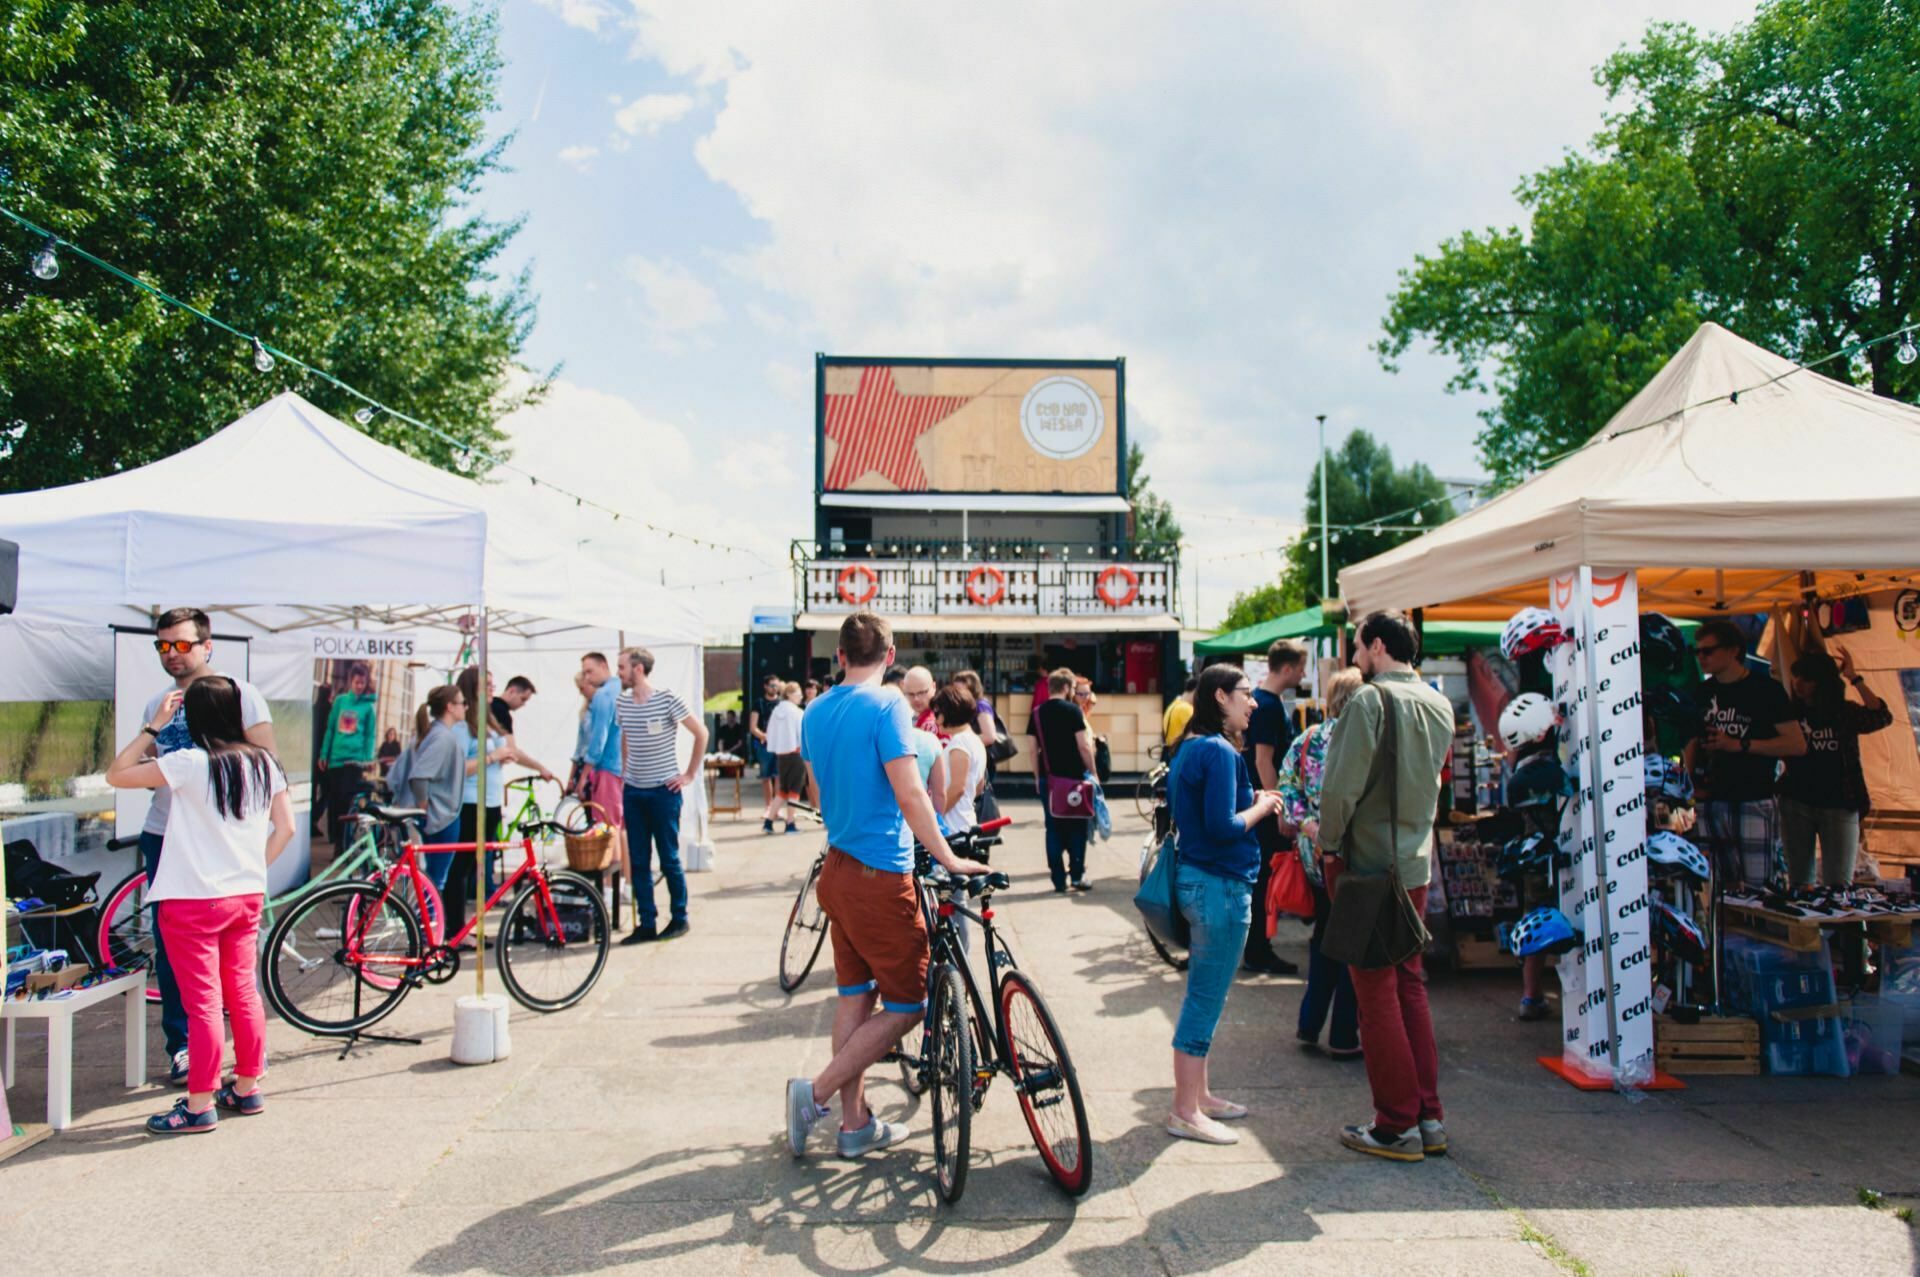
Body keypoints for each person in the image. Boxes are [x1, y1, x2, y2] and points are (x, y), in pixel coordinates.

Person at [786, 612, 990, 1160]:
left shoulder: (816, 710)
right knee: (908, 1004)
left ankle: (856, 1126)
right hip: (881, 874)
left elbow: (820, 794)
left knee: (855, 998)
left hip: (838, 867)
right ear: (891, 654)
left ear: (842, 655)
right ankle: (816, 1094)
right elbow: (912, 794)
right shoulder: (888, 706)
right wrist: (947, 856)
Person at [106, 677, 293, 1134]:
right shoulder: (265, 763)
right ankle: (247, 1087)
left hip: (191, 900)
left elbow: (117, 774)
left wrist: (153, 727)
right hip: (244, 895)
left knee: (204, 1004)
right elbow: (284, 828)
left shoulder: (188, 763)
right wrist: (253, 869)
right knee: (243, 993)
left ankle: (199, 1102)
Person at [1315, 609, 1456, 1163]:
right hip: (1414, 863)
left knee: (1375, 994)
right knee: (1409, 985)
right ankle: (1428, 1115)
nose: (1353, 656)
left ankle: (1396, 1124)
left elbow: (1339, 789)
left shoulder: (1371, 700)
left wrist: (1328, 847)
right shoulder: (1439, 701)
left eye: (1356, 647)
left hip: (1369, 865)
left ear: (1376, 646)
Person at [137, 607, 277, 1087]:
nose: (172, 654)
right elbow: (144, 772)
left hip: (223, 847)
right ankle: (183, 1048)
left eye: (182, 644)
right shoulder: (157, 702)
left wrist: (253, 859)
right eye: (163, 646)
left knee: (231, 971)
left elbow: (267, 765)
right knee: (172, 953)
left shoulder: (241, 696)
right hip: (166, 835)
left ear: (207, 646)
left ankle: (238, 1061)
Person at [1162, 664, 1279, 1145]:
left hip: (1200, 882)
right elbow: (1224, 827)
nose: (1252, 703)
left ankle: (1200, 1096)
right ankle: (1185, 1110)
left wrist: (1246, 796)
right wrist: (1264, 805)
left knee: (1202, 995)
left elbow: (1197, 814)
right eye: (1244, 694)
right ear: (1219, 697)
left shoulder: (1191, 747)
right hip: (1219, 887)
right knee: (1204, 1001)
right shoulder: (1218, 752)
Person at [1278, 668, 1363, 1059]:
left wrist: (1309, 826)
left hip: (1315, 855)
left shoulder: (1308, 739)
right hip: (1355, 854)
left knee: (1325, 935)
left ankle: (1310, 1022)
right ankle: (1344, 1033)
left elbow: (1287, 788)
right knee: (1351, 944)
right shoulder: (1363, 739)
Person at [1685, 619, 1807, 888]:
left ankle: (1762, 929)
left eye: (1708, 651)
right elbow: (1691, 739)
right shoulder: (1703, 692)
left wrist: (1740, 744)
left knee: (1759, 884)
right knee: (1717, 886)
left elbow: (1796, 745)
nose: (1701, 657)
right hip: (1711, 799)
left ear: (1733, 651)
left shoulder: (1766, 690)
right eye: (1698, 652)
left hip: (1753, 796)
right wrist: (1689, 781)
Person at [447, 667, 555, 941]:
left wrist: (503, 756)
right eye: (487, 684)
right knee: (461, 868)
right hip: (472, 802)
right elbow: (458, 767)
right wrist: (494, 756)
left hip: (491, 801)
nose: (492, 689)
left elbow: (505, 751)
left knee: (476, 866)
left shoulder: (489, 719)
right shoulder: (462, 726)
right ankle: (455, 930)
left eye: (493, 684)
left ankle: (465, 928)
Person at [614, 647, 708, 944]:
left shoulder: (667, 698)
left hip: (663, 792)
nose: (618, 673)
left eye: (621, 667)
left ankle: (680, 918)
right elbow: (626, 739)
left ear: (638, 668)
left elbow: (701, 732)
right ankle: (646, 923)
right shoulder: (622, 703)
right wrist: (625, 776)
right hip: (634, 791)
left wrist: (689, 774)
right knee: (639, 860)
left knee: (669, 858)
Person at [1779, 647, 1891, 887]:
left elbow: (1881, 716)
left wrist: (1854, 678)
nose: (1798, 683)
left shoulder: (1843, 712)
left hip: (1841, 802)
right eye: (1796, 676)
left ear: (1822, 682)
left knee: (1839, 882)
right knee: (1799, 881)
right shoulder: (1790, 714)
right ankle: (1806, 920)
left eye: (1807, 678)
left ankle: (1841, 924)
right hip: (1797, 800)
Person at [1243, 640, 1308, 976]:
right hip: (1267, 806)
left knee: (1263, 879)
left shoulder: (1263, 702)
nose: (1304, 673)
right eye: (1300, 667)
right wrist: (1278, 807)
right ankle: (1258, 949)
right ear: (1287, 668)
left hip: (1260, 803)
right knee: (1265, 880)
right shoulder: (1268, 707)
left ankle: (1257, 946)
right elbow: (1263, 760)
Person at [1034, 667, 1097, 892]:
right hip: (1073, 779)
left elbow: (1033, 750)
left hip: (1048, 780)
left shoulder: (1037, 713)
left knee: (1052, 828)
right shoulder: (1073, 711)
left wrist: (1036, 776)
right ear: (1065, 687)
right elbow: (1083, 745)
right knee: (1077, 827)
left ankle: (1058, 880)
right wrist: (1094, 771)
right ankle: (1077, 876)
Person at [411, 685, 469, 894]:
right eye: (462, 703)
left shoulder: (437, 734)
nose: (466, 707)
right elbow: (419, 775)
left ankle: (428, 922)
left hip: (440, 813)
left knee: (434, 880)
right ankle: (430, 924)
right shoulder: (443, 737)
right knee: (436, 882)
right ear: (450, 707)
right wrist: (423, 805)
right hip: (442, 815)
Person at [578, 652, 629, 887]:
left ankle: (609, 888)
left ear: (603, 666)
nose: (587, 678)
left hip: (608, 767)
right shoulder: (620, 689)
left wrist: (584, 776)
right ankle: (625, 884)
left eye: (590, 671)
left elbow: (597, 741)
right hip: (622, 767)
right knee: (619, 828)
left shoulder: (604, 696)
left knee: (607, 828)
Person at [317, 662, 379, 849]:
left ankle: (341, 845)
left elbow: (370, 735)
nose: (359, 686)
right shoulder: (340, 702)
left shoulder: (368, 708)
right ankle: (336, 838)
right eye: (356, 682)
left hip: (355, 760)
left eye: (362, 683)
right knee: (334, 802)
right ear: (351, 681)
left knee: (346, 802)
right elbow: (331, 729)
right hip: (336, 758)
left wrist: (368, 758)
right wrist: (324, 753)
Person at [936, 685, 986, 832]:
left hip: (952, 828)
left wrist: (935, 817)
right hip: (965, 823)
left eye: (938, 713)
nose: (936, 720)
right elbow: (979, 786)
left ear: (949, 713)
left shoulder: (960, 742)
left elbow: (958, 788)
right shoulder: (975, 740)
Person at [762, 681, 805, 834]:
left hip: (781, 754)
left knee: (782, 790)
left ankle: (769, 821)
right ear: (790, 695)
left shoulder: (777, 711)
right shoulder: (797, 712)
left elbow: (770, 732)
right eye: (798, 693)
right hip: (796, 754)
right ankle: (790, 823)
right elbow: (803, 735)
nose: (801, 696)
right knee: (794, 791)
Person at [750, 674, 783, 810]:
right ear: (765, 686)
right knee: (766, 776)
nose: (774, 688)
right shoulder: (759, 703)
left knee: (778, 776)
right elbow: (753, 726)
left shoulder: (781, 703)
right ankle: (768, 806)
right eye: (772, 685)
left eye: (776, 685)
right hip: (764, 744)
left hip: (780, 744)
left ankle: (777, 806)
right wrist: (764, 735)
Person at [1162, 675, 1198, 752]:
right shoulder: (1186, 709)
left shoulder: (1173, 705)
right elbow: (1197, 736)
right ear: (1195, 691)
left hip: (1173, 753)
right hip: (1183, 753)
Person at [902, 665, 939, 735]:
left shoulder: (940, 719)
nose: (916, 699)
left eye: (921, 693)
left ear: (934, 687)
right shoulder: (908, 716)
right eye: (911, 694)